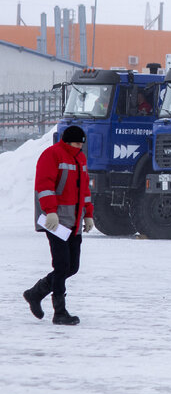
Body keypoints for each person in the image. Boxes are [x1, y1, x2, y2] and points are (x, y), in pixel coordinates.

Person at [23, 125, 93, 325]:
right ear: (67, 141)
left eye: (81, 144)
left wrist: (88, 215)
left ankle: (36, 293)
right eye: (76, 143)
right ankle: (60, 312)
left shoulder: (80, 158)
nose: (79, 147)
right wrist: (50, 211)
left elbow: (85, 189)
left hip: (74, 222)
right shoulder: (52, 155)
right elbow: (44, 187)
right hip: (57, 221)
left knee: (72, 267)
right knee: (61, 266)